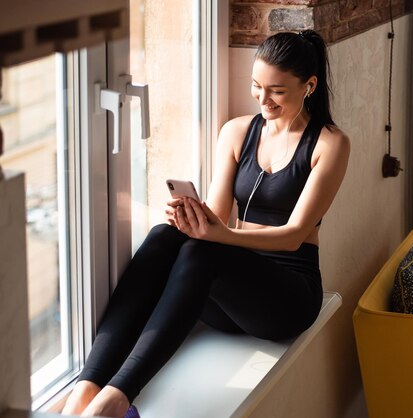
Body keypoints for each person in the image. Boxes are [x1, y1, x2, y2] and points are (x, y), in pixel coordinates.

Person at [61, 29, 350, 418]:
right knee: (166, 236)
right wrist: (191, 219)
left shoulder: (329, 144)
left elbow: (295, 236)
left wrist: (219, 234)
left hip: (285, 297)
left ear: (309, 86)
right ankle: (88, 386)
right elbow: (214, 218)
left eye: (277, 91)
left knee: (204, 253)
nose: (263, 99)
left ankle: (117, 398)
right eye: (256, 86)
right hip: (228, 297)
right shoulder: (236, 132)